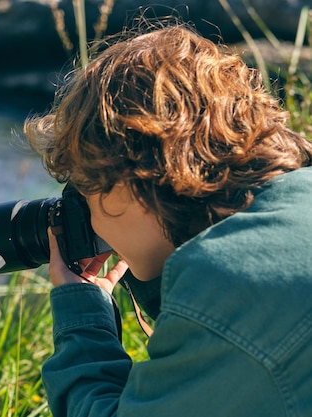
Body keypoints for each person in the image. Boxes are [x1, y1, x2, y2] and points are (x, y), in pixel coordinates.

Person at [23, 22, 312, 416]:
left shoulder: (229, 280)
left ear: (128, 180)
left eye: (83, 188)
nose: (88, 218)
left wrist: (84, 318)